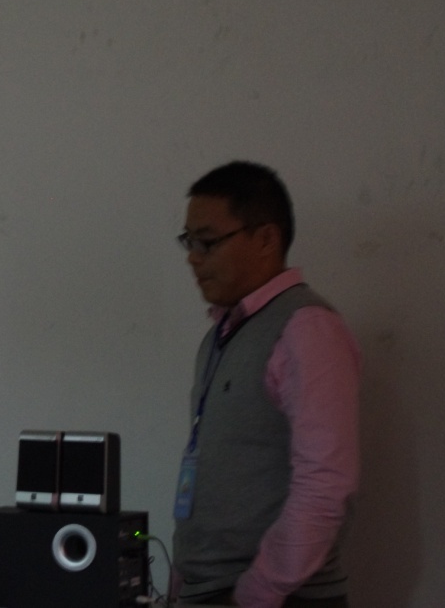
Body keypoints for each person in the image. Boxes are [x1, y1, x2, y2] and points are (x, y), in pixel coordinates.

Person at [171, 162, 360, 608]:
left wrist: (257, 594)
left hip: (275, 598)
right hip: (211, 590)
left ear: (265, 239)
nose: (193, 257)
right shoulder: (221, 335)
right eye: (189, 242)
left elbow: (325, 484)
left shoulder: (306, 328)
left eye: (207, 241)